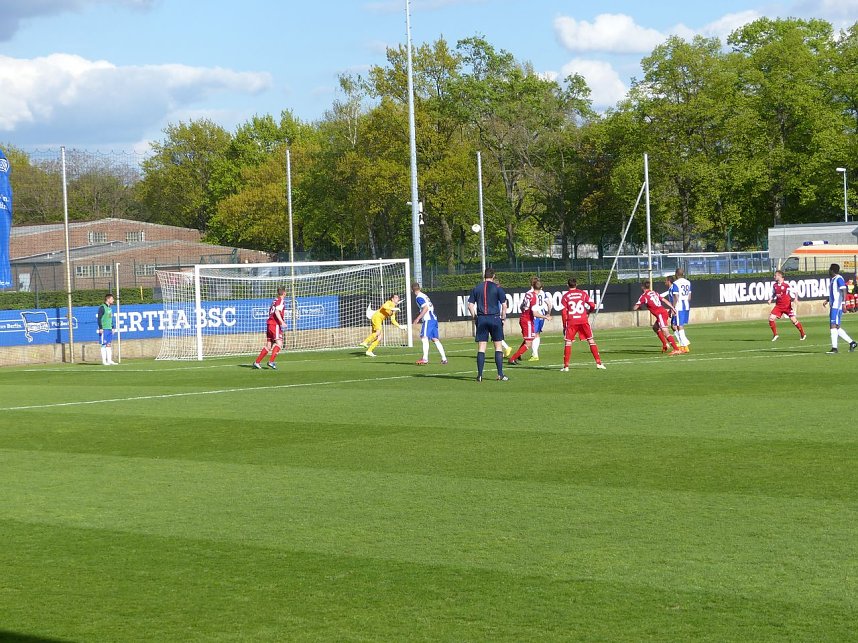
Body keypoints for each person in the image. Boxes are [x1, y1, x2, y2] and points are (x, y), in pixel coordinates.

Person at [467, 267, 509, 381]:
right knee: (498, 346)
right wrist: (503, 317)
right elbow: (504, 305)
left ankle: (479, 375)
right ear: (493, 276)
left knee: (481, 347)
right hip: (495, 318)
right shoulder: (498, 288)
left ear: (484, 276)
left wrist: (475, 317)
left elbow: (470, 305)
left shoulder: (477, 288)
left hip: (482, 319)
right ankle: (500, 374)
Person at [559, 277, 605, 371]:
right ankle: (599, 363)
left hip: (572, 321)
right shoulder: (583, 293)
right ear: (576, 284)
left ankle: (566, 366)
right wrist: (588, 312)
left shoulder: (565, 296)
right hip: (583, 320)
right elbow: (592, 305)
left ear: (567, 285)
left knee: (568, 342)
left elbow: (564, 312)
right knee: (591, 341)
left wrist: (564, 325)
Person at [508, 278, 549, 365]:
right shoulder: (534, 297)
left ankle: (518, 354)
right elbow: (534, 313)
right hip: (528, 320)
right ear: (541, 288)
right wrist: (545, 316)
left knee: (530, 338)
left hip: (524, 318)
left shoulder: (528, 294)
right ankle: (513, 358)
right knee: (529, 343)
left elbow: (522, 306)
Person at [633, 281, 681, 355]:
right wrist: (672, 308)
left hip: (660, 314)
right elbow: (664, 300)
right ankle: (665, 345)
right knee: (655, 327)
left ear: (642, 287)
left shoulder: (644, 296)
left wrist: (637, 307)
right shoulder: (654, 293)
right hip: (663, 312)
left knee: (665, 331)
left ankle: (676, 349)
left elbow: (635, 307)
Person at [822, 263, 858, 354]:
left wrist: (843, 304)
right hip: (833, 304)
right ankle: (852, 343)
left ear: (833, 270)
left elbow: (843, 290)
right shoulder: (833, 279)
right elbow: (835, 292)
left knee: (833, 325)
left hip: (837, 306)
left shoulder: (839, 278)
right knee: (836, 326)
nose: (828, 270)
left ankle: (834, 348)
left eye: (830, 269)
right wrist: (827, 300)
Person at [412, 282, 447, 365]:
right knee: (435, 339)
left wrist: (418, 318)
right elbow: (431, 306)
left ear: (412, 290)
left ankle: (425, 358)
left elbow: (426, 308)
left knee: (424, 337)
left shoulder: (419, 297)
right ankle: (444, 358)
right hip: (434, 318)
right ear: (419, 288)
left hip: (428, 319)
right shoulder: (424, 295)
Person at [767, 270, 806, 342]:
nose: (774, 277)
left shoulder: (786, 285)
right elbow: (774, 294)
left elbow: (795, 291)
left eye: (775, 275)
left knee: (793, 320)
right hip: (778, 306)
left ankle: (802, 334)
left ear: (779, 276)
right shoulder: (774, 285)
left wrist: (796, 298)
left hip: (787, 306)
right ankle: (775, 335)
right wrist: (770, 299)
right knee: (771, 318)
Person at [254, 286, 287, 369]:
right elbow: (276, 311)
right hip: (274, 324)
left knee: (269, 345)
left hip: (269, 324)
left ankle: (257, 362)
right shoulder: (280, 301)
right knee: (279, 343)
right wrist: (282, 322)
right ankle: (271, 361)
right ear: (284, 293)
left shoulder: (274, 301)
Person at [529, 277, 554, 361]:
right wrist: (548, 314)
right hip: (542, 315)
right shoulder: (543, 293)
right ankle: (533, 353)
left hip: (535, 315)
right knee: (537, 334)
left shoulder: (530, 293)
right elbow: (549, 304)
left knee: (533, 335)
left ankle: (535, 354)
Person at [669, 268, 692, 352]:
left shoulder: (676, 283)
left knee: (679, 325)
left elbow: (676, 297)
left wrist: (673, 307)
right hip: (686, 305)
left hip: (679, 306)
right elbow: (689, 297)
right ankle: (684, 344)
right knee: (679, 325)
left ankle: (684, 346)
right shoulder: (688, 282)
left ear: (676, 274)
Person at [492, 276, 513, 357]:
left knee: (496, 337)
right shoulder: (500, 292)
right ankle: (501, 353)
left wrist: (502, 317)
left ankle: (506, 348)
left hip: (497, 316)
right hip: (498, 316)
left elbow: (503, 305)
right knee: (496, 336)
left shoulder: (496, 292)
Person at [96, 293, 117, 365]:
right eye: (112, 299)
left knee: (109, 344)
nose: (113, 300)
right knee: (103, 344)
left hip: (109, 329)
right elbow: (99, 318)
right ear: (108, 299)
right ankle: (104, 361)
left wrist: (113, 327)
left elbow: (110, 318)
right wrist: (101, 328)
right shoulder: (102, 307)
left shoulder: (110, 308)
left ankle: (109, 360)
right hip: (104, 329)